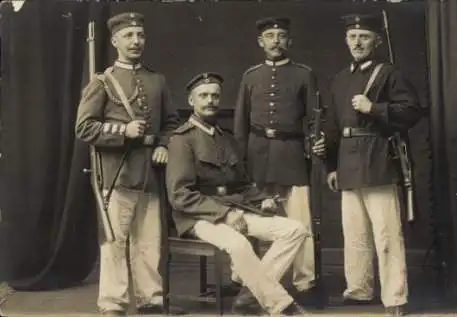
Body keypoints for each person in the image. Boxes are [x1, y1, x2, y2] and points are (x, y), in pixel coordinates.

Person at [166, 72, 308, 316]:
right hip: (198, 217)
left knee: (295, 230)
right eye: (203, 96)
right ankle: (281, 305)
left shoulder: (226, 139)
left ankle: (251, 297)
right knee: (239, 244)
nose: (210, 100)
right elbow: (180, 196)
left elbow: (242, 185)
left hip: (234, 208)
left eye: (215, 96)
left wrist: (262, 200)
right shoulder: (182, 140)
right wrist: (226, 213)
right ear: (191, 101)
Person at [312, 13, 423, 317]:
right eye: (352, 36)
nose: (357, 42)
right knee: (355, 232)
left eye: (364, 36)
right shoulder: (339, 79)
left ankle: (395, 296)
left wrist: (374, 108)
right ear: (346, 40)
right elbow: (333, 127)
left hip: (377, 159)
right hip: (347, 162)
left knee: (387, 233)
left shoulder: (389, 74)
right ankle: (359, 290)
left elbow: (412, 112)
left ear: (376, 41)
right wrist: (331, 166)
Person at [75, 12, 184, 316]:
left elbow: (172, 123)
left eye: (140, 35)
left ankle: (151, 299)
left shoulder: (157, 80)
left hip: (150, 174)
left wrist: (163, 144)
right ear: (114, 41)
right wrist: (123, 131)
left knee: (150, 243)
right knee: (114, 242)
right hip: (117, 174)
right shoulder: (103, 82)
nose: (136, 41)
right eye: (128, 36)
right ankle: (113, 304)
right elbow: (84, 128)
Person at [233, 17, 318, 304]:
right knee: (251, 217)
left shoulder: (304, 75)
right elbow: (240, 122)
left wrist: (313, 144)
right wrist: (239, 160)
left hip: (291, 152)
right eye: (270, 36)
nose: (276, 41)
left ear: (289, 41)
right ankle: (244, 277)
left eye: (281, 35)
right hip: (256, 153)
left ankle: (304, 282)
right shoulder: (251, 76)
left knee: (298, 219)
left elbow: (314, 118)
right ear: (261, 42)